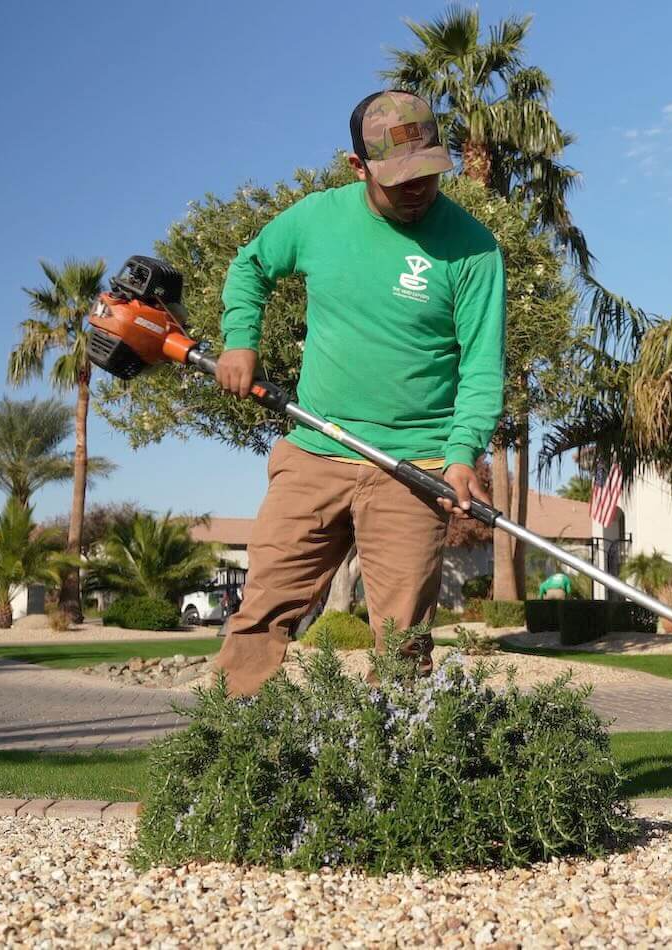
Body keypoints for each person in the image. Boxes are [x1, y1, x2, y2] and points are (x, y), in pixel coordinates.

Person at [209, 90, 505, 698]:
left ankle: (393, 780)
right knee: (259, 614)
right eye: (399, 179)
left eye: (427, 172)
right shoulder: (318, 218)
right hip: (317, 447)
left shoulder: (473, 249)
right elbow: (250, 266)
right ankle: (210, 768)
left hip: (414, 464)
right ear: (358, 167)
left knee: (403, 645)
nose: (417, 188)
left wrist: (461, 454)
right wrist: (240, 341)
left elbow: (480, 365)